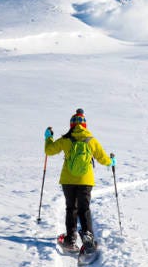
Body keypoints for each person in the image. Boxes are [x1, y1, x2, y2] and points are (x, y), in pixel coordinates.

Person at [44, 108, 115, 252]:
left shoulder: (66, 140)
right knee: (84, 209)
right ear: (85, 125)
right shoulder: (91, 140)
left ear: (71, 125)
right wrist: (111, 161)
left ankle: (70, 241)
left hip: (68, 180)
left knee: (71, 209)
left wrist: (48, 137)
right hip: (85, 181)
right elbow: (103, 158)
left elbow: (49, 151)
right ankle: (88, 239)